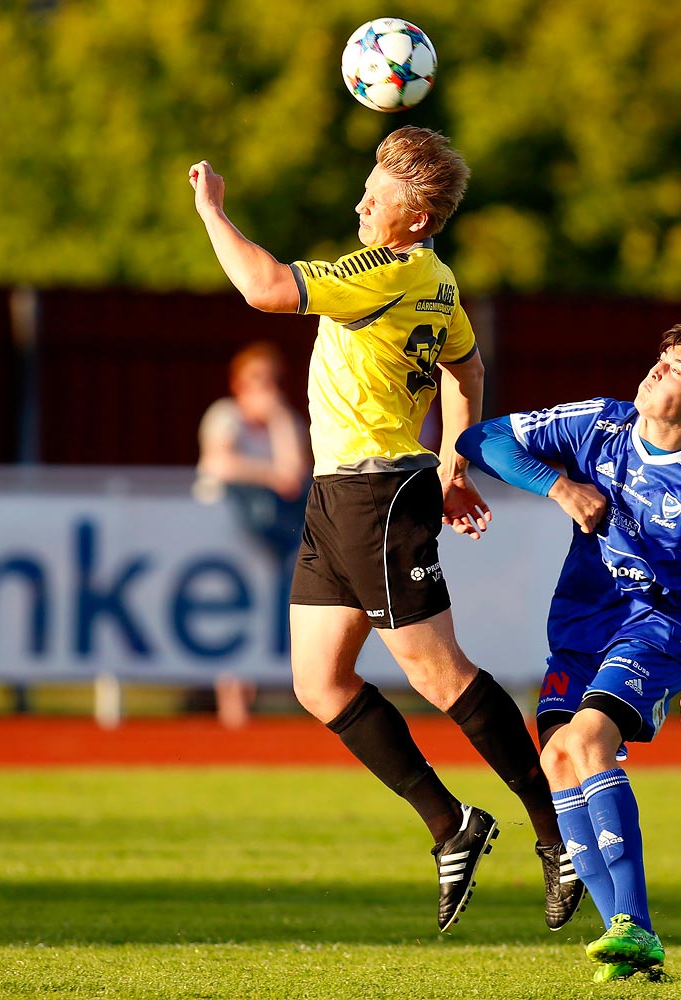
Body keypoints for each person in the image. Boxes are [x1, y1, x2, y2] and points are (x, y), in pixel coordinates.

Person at [188, 126, 585, 933]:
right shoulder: (433, 276)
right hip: (344, 494)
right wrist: (452, 462)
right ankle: (452, 824)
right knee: (318, 682)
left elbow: (264, 288)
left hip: (375, 494)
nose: (359, 202)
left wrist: (210, 210)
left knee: (439, 674)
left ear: (411, 220)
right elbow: (465, 367)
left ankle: (557, 832)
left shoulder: (391, 269)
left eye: (376, 195)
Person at [457, 316, 681, 982]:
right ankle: (627, 946)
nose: (658, 369)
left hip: (658, 630)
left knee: (586, 741)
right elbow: (482, 439)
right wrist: (558, 486)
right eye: (663, 358)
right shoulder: (600, 425)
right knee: (558, 758)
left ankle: (635, 923)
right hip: (580, 628)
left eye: (679, 369)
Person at [195, 341, 311, 656]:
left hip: (268, 537)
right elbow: (218, 463)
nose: (265, 388)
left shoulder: (286, 423)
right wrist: (270, 476)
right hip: (222, 535)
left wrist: (278, 418)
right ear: (239, 383)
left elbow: (294, 474)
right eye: (257, 379)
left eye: (272, 379)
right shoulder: (225, 416)